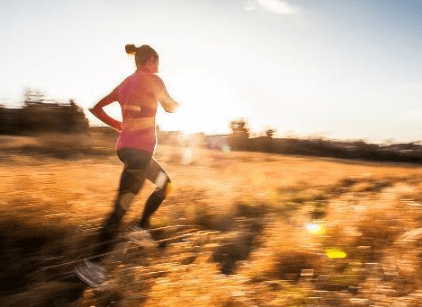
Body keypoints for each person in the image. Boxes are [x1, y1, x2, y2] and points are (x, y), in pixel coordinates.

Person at [74, 44, 179, 286]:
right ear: (150, 60)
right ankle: (92, 265)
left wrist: (119, 125)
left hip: (127, 149)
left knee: (166, 185)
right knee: (119, 209)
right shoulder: (153, 80)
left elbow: (96, 108)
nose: (159, 67)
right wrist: (179, 104)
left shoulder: (125, 84)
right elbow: (170, 107)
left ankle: (140, 228)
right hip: (139, 153)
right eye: (158, 62)